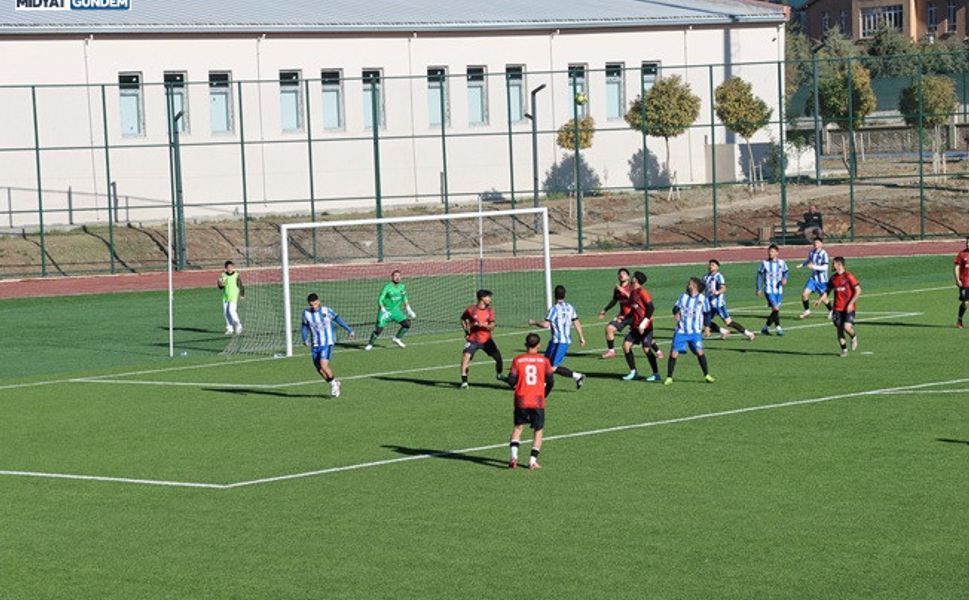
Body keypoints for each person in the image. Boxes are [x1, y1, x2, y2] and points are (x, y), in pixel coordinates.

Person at [506, 332, 554, 470]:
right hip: (537, 399)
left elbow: (512, 380)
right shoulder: (544, 361)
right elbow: (550, 380)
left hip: (521, 398)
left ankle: (514, 457)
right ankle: (532, 461)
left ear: (525, 344)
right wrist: (545, 394)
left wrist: (511, 382)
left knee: (518, 427)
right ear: (539, 345)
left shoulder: (518, 360)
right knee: (538, 430)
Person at [528, 285, 587, 389]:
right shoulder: (570, 307)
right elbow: (576, 322)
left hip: (561, 343)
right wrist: (581, 337)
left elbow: (546, 324)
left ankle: (576, 376)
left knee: (553, 367)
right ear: (564, 295)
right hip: (555, 341)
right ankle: (577, 377)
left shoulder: (554, 309)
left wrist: (534, 322)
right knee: (545, 364)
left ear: (554, 295)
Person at [301, 292, 355, 397]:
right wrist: (304, 339)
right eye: (312, 305)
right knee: (319, 369)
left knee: (323, 365)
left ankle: (334, 385)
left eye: (315, 304)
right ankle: (334, 383)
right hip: (315, 344)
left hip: (327, 342)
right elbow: (304, 326)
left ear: (319, 302)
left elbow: (338, 319)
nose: (314, 307)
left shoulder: (326, 311)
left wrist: (349, 330)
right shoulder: (306, 313)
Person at [665, 277, 715, 385]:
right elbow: (675, 307)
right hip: (681, 331)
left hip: (695, 332)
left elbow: (707, 314)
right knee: (674, 353)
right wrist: (676, 312)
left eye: (690, 283)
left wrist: (707, 327)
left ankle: (707, 375)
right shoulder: (683, 296)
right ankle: (669, 377)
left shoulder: (702, 299)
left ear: (695, 286)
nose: (688, 285)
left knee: (699, 352)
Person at [621, 271, 662, 382]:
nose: (632, 278)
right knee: (625, 346)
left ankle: (656, 374)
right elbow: (633, 310)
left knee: (646, 349)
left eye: (633, 277)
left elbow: (651, 308)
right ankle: (633, 372)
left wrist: (644, 323)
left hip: (646, 326)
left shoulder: (642, 292)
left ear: (637, 280)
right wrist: (623, 317)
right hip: (635, 326)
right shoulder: (633, 292)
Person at [459, 289, 504, 389]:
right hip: (473, 340)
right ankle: (464, 382)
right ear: (482, 298)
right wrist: (466, 331)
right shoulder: (471, 310)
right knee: (465, 358)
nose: (490, 299)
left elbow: (492, 326)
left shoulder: (490, 311)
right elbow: (462, 318)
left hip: (487, 340)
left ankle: (499, 374)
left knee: (499, 359)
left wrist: (483, 325)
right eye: (488, 297)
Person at [702, 259, 756, 341]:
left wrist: (717, 292)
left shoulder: (719, 276)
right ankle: (723, 331)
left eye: (713, 265)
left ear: (717, 267)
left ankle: (749, 334)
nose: (710, 266)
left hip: (719, 304)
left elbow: (723, 288)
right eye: (709, 264)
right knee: (704, 320)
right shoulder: (705, 276)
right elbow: (702, 288)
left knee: (728, 322)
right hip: (709, 304)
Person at [818, 257, 860, 357]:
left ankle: (853, 337)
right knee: (839, 329)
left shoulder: (848, 276)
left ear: (839, 264)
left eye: (833, 263)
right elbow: (827, 291)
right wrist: (819, 300)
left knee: (847, 327)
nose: (832, 265)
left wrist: (851, 303)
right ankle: (844, 350)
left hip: (848, 308)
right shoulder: (833, 278)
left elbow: (858, 290)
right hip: (837, 308)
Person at [365, 269, 417, 350]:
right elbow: (380, 298)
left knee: (407, 324)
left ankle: (397, 338)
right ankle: (370, 344)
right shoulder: (387, 287)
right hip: (385, 312)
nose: (397, 277)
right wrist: (382, 308)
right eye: (395, 276)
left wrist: (408, 309)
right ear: (391, 277)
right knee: (378, 330)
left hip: (396, 311)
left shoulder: (402, 287)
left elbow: (404, 297)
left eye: (399, 276)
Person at [598, 268, 632, 359]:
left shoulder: (632, 287)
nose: (621, 275)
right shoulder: (617, 289)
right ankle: (611, 351)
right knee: (609, 328)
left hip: (634, 316)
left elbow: (634, 299)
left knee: (644, 335)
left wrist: (623, 291)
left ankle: (657, 350)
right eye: (619, 274)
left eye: (624, 273)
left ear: (628, 277)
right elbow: (614, 301)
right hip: (623, 316)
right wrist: (605, 310)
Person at [756, 244, 789, 336]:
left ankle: (765, 328)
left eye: (772, 251)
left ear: (777, 253)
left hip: (779, 290)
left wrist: (785, 278)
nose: (770, 253)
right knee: (776, 308)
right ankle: (778, 328)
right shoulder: (764, 263)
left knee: (775, 311)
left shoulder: (782, 263)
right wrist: (758, 288)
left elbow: (786, 272)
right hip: (769, 290)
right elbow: (759, 276)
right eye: (769, 251)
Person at [796, 237, 831, 319]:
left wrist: (814, 267)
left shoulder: (824, 254)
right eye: (814, 242)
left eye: (818, 242)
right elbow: (808, 260)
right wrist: (802, 265)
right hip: (813, 279)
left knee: (824, 299)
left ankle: (831, 311)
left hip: (822, 280)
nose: (815, 244)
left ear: (822, 244)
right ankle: (807, 311)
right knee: (804, 294)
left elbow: (825, 267)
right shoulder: (811, 252)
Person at [218, 260, 245, 335]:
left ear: (233, 267)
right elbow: (220, 287)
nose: (230, 268)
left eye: (231, 267)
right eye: (228, 267)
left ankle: (239, 326)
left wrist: (242, 294)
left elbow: (241, 285)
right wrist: (220, 284)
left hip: (233, 296)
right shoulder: (223, 275)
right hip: (225, 296)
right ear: (226, 268)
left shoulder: (236, 275)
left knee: (232, 311)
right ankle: (230, 328)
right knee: (226, 313)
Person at [955, 237, 969, 329]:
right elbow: (956, 267)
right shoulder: (962, 254)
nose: (967, 244)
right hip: (965, 282)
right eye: (967, 242)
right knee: (965, 303)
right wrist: (957, 279)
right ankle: (959, 319)